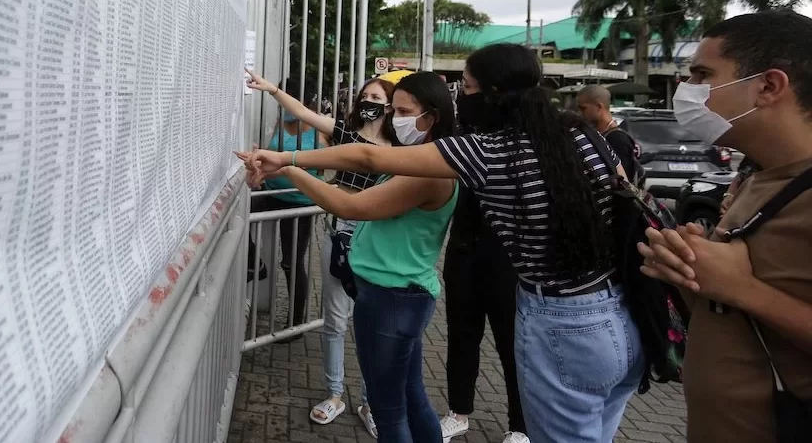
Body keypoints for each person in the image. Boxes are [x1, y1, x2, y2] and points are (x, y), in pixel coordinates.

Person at [243, 43, 644, 443]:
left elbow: (369, 160)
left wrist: (289, 162)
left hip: (561, 322)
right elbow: (626, 200)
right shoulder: (584, 135)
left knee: (396, 405)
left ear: (493, 94)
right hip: (620, 309)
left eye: (466, 88)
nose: (461, 97)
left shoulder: (485, 151)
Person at [245, 73, 458, 443]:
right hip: (401, 292)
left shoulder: (427, 172)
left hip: (393, 296)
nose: (393, 117)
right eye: (392, 109)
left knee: (389, 412)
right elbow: (360, 152)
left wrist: (289, 167)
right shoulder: (421, 158)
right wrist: (288, 156)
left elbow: (351, 205)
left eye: (403, 111)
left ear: (431, 117)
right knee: (410, 396)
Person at [636, 11, 812, 442]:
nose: (687, 90)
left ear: (768, 86)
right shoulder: (757, 177)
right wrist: (693, 274)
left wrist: (743, 288)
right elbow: (731, 314)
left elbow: (744, 292)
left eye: (701, 75)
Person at [244, 69, 396, 434]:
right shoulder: (345, 134)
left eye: (377, 99)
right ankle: (334, 393)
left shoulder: (402, 152)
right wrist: (273, 90)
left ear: (391, 107)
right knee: (335, 320)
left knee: (371, 327)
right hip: (340, 236)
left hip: (378, 241)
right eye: (366, 97)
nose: (369, 104)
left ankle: (370, 402)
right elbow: (305, 112)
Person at [439, 103, 527, 443]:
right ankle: (458, 412)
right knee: (461, 337)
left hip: (508, 261)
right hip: (463, 253)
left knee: (511, 344)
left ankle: (520, 425)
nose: (466, 96)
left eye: (472, 89)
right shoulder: (462, 140)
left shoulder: (525, 143)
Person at [248, 78, 326, 329]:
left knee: (291, 261)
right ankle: (254, 264)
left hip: (300, 203)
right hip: (270, 196)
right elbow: (272, 154)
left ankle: (295, 323)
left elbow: (306, 165)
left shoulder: (320, 131)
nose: (285, 108)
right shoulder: (280, 124)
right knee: (235, 215)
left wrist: (269, 168)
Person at [577, 84, 641, 185]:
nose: (580, 113)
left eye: (583, 108)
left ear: (598, 107)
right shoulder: (603, 135)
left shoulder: (616, 139)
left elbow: (622, 183)